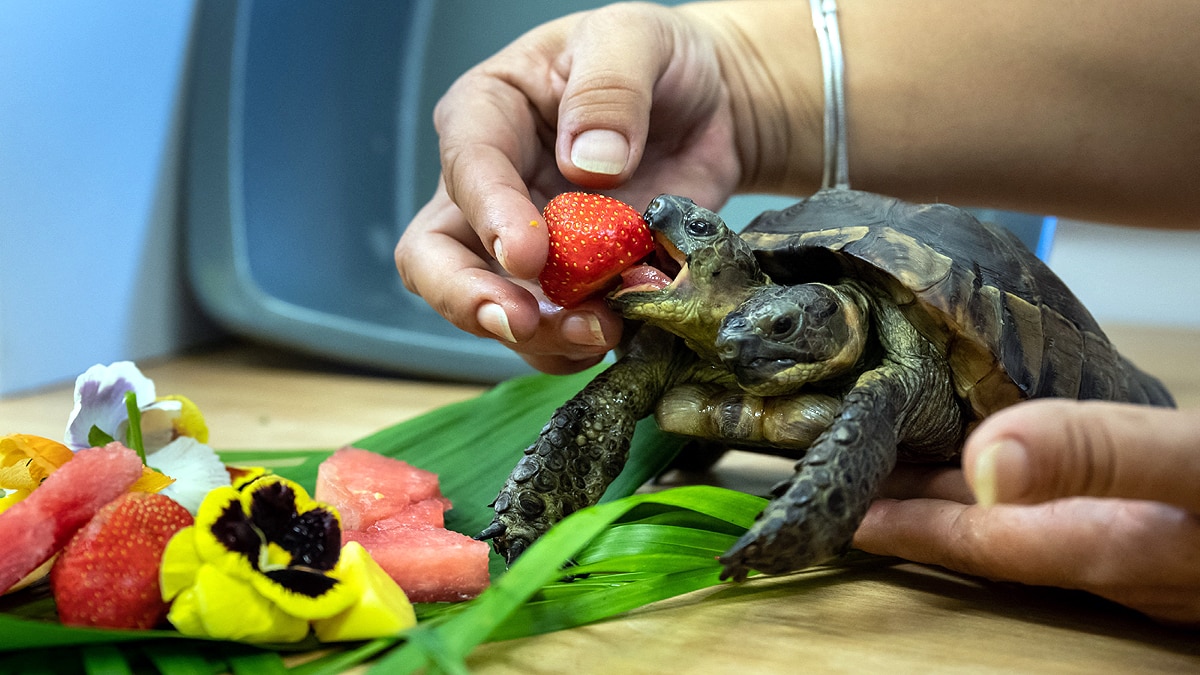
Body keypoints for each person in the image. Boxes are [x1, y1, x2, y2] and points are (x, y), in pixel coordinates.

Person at [394, 1, 1200, 625]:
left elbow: (875, 403)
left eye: (781, 328)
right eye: (752, 320)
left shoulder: (894, 365)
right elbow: (623, 392)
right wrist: (737, 80)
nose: (748, 335)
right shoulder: (724, 318)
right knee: (619, 391)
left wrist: (808, 517)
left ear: (838, 319)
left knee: (877, 396)